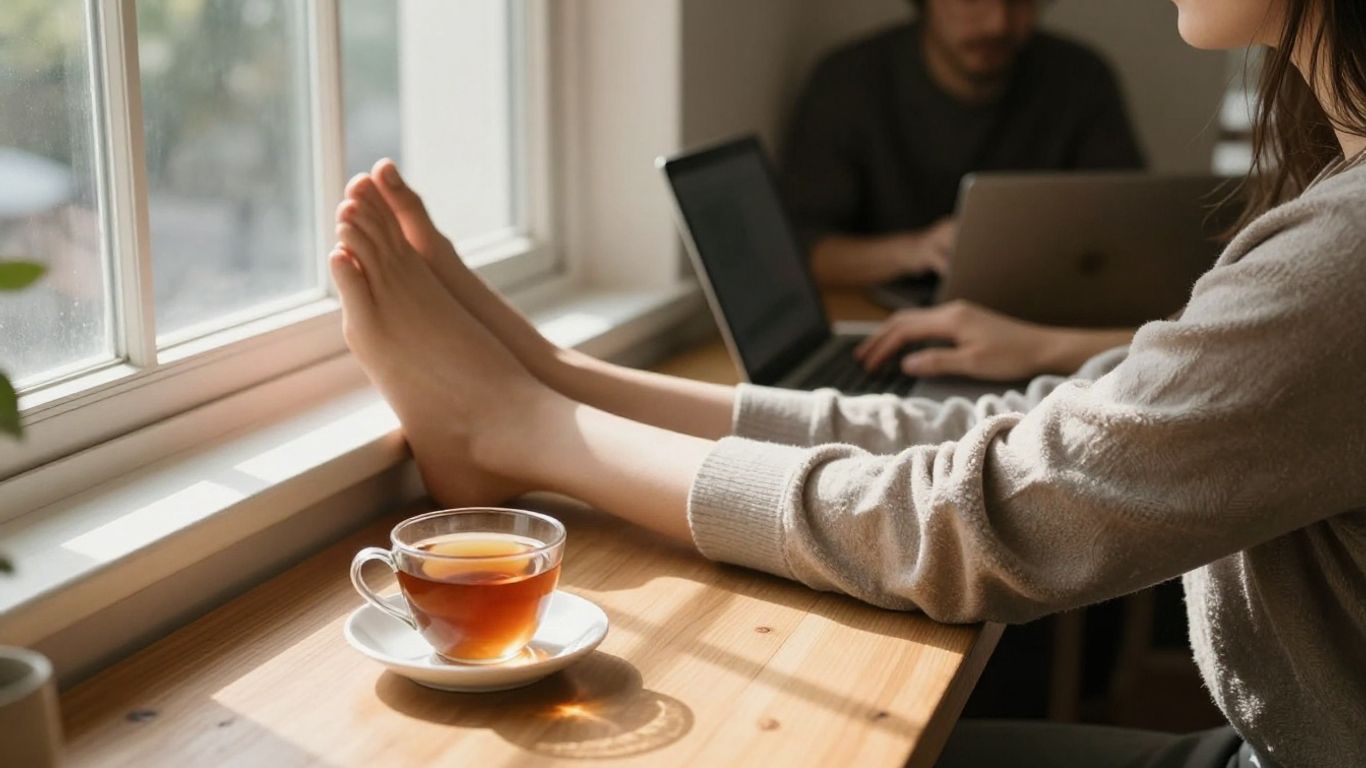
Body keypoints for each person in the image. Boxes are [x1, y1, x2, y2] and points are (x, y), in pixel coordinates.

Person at [326, 0, 1365, 762]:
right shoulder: (1337, 212)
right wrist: (558, 379)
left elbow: (974, 524)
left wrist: (530, 429)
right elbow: (1045, 426)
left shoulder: (1346, 253)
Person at [782, 0, 1145, 289]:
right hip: (880, 321)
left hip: (1037, 318)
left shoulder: (1081, 78)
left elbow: (1130, 230)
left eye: (1018, 1)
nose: (997, 23)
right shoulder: (848, 81)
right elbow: (797, 248)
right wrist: (914, 251)